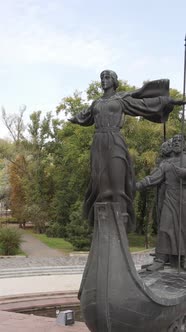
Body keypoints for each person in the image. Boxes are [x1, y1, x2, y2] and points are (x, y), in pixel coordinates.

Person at [69, 70, 185, 232]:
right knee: (100, 183)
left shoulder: (121, 99)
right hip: (98, 143)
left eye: (107, 77)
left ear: (114, 81)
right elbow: (85, 116)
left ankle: (122, 220)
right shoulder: (96, 103)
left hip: (115, 139)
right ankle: (102, 220)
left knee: (118, 182)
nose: (104, 80)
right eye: (102, 77)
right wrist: (75, 118)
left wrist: (168, 101)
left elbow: (144, 105)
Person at [136, 134, 186, 271]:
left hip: (184, 198)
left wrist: (184, 173)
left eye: (179, 141)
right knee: (165, 227)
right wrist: (136, 185)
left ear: (184, 144)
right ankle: (160, 260)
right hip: (170, 198)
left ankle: (183, 259)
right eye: (174, 141)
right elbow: (153, 178)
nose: (176, 143)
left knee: (183, 229)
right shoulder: (166, 163)